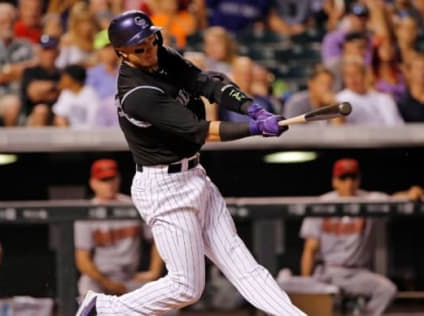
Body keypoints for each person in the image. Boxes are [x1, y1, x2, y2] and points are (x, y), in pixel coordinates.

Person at [76, 10, 305, 316]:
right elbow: (200, 131)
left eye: (151, 40)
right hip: (164, 187)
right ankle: (102, 307)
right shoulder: (136, 94)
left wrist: (253, 109)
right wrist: (253, 129)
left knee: (242, 263)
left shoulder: (162, 56)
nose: (150, 50)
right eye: (139, 48)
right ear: (122, 53)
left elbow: (208, 84)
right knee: (186, 287)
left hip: (194, 174)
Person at [300, 158, 424, 316]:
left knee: (387, 290)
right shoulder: (322, 204)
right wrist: (306, 284)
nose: (349, 183)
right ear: (335, 181)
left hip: (358, 273)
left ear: (359, 180)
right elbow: (310, 249)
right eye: (343, 178)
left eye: (353, 177)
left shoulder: (368, 200)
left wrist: (410, 194)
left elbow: (394, 200)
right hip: (327, 272)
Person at [74, 159, 164, 298]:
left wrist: (154, 271)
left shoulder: (134, 204)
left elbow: (158, 238)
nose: (109, 184)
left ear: (118, 179)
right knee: (87, 289)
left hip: (130, 278)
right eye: (104, 180)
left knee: (167, 303)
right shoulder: (87, 212)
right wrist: (107, 283)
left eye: (112, 179)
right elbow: (82, 260)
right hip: (100, 278)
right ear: (93, 183)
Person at [20, 34, 61, 127]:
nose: (49, 54)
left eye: (52, 50)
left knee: (62, 117)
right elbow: (33, 93)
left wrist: (46, 89)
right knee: (41, 110)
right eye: (45, 50)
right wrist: (55, 86)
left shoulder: (61, 73)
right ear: (39, 52)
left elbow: (67, 92)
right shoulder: (30, 71)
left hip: (56, 116)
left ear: (57, 52)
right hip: (32, 118)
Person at [52, 64, 101, 128]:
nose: (61, 80)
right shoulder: (65, 94)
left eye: (64, 77)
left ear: (72, 79)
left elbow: (94, 120)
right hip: (68, 133)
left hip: (87, 133)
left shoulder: (90, 94)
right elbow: (60, 114)